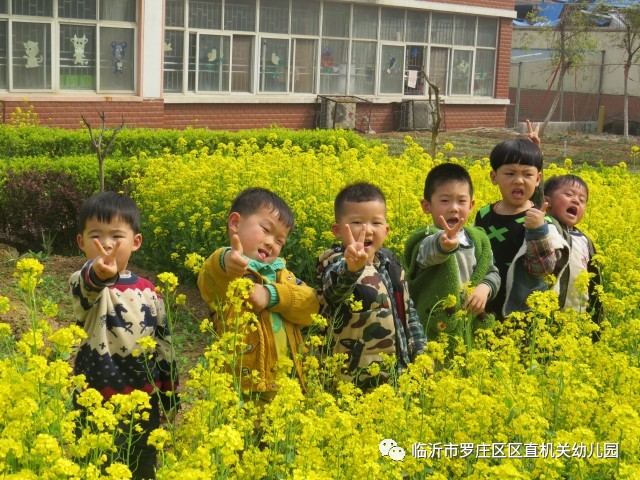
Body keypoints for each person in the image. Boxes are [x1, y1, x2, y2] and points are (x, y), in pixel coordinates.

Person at [69, 192, 179, 480]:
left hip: (144, 399)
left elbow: (164, 343)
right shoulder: (86, 284)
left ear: (136, 242)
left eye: (116, 236)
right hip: (96, 398)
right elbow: (86, 287)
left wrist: (169, 394)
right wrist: (98, 274)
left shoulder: (150, 291)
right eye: (96, 236)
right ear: (81, 242)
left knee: (143, 463)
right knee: (97, 465)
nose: (106, 244)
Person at [197, 187, 319, 402]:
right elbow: (212, 276)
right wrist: (229, 263)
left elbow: (311, 305)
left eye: (280, 241)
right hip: (241, 388)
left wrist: (272, 295)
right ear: (235, 223)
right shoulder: (229, 269)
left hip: (286, 384)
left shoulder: (285, 277)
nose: (272, 243)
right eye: (265, 229)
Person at [317, 182, 426, 390]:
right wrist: (352, 268)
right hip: (354, 381)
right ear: (337, 230)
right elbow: (335, 291)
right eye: (357, 222)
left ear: (386, 230)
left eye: (376, 223)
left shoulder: (390, 264)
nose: (366, 230)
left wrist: (420, 352)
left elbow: (408, 311)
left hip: (398, 376)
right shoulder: (333, 263)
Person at [474, 132, 569, 318]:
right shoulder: (483, 215)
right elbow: (473, 256)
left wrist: (538, 232)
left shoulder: (542, 221)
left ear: (538, 179)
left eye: (527, 174)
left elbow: (542, 270)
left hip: (523, 312)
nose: (519, 180)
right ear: (494, 177)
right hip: (484, 303)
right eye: (510, 173)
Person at [404, 163, 501, 339]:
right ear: (427, 206)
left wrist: (484, 288)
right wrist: (444, 246)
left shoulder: (478, 239)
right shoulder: (427, 239)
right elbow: (428, 254)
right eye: (445, 200)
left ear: (471, 205)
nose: (454, 207)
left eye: (461, 201)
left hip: (468, 326)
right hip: (433, 328)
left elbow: (491, 272)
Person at [544, 174, 603, 331]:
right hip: (546, 316)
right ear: (547, 201)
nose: (576, 200)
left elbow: (595, 281)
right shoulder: (545, 229)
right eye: (568, 195)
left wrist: (597, 319)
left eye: (582, 200)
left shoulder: (585, 241)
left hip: (577, 320)